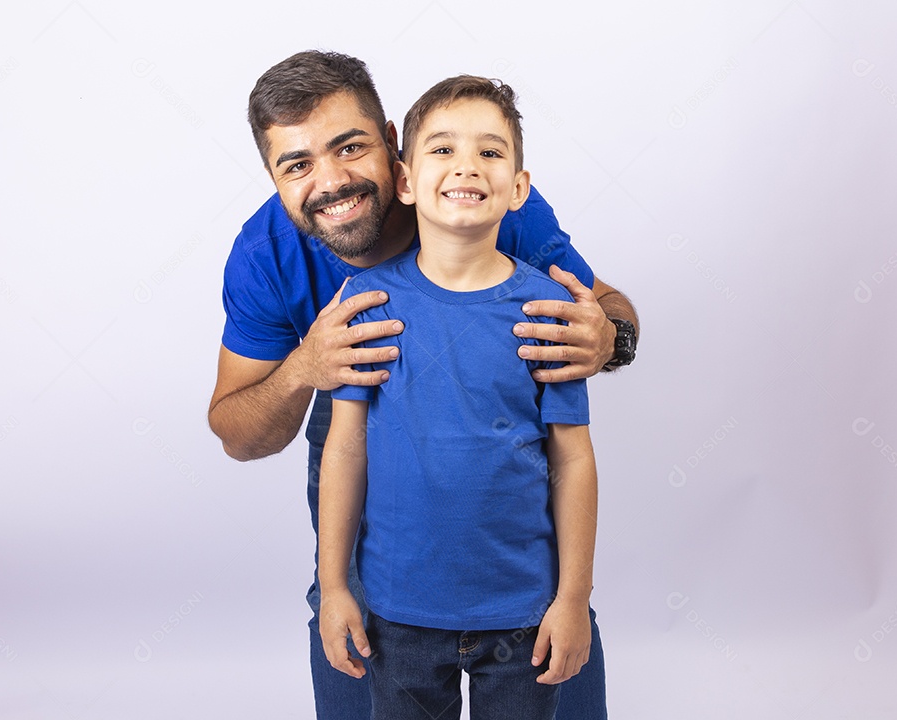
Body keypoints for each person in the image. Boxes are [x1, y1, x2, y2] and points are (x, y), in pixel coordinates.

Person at [208, 50, 637, 719]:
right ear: (273, 177)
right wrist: (305, 368)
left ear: (392, 150)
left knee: (555, 661)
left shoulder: (480, 195)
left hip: (508, 455)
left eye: (349, 147)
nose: (331, 180)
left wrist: (609, 337)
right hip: (358, 399)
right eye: (297, 164)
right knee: (358, 636)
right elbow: (238, 435)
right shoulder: (266, 253)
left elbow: (607, 310)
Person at [317, 75, 598, 720]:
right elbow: (346, 449)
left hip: (523, 614)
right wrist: (334, 585)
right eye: (442, 149)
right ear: (405, 180)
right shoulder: (368, 305)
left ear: (519, 188)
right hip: (398, 613)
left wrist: (573, 598)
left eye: (490, 152)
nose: (467, 165)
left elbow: (574, 459)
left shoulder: (548, 311)